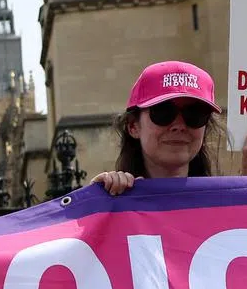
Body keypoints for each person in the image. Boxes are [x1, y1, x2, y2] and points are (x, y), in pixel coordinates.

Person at [91, 60, 224, 195]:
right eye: (163, 112)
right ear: (133, 126)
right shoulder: (112, 202)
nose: (179, 126)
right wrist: (94, 200)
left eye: (195, 114)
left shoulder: (223, 205)